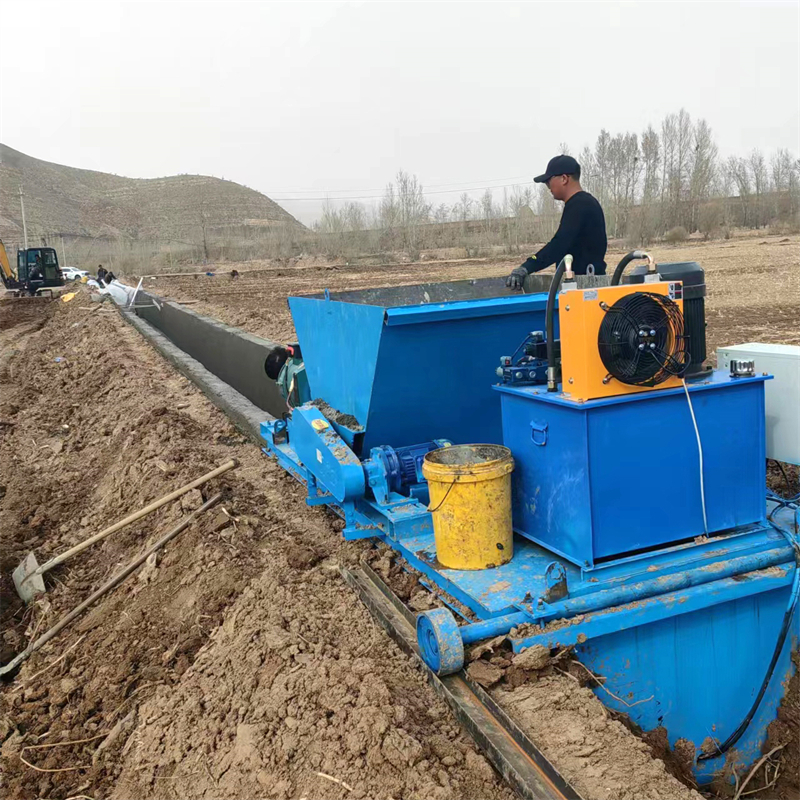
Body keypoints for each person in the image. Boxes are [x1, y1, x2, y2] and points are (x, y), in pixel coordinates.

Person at [507, 155, 607, 288]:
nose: (548, 187)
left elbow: (559, 244)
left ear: (564, 178)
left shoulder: (580, 205)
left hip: (587, 288)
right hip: (589, 283)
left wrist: (527, 267)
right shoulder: (585, 203)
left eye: (548, 181)